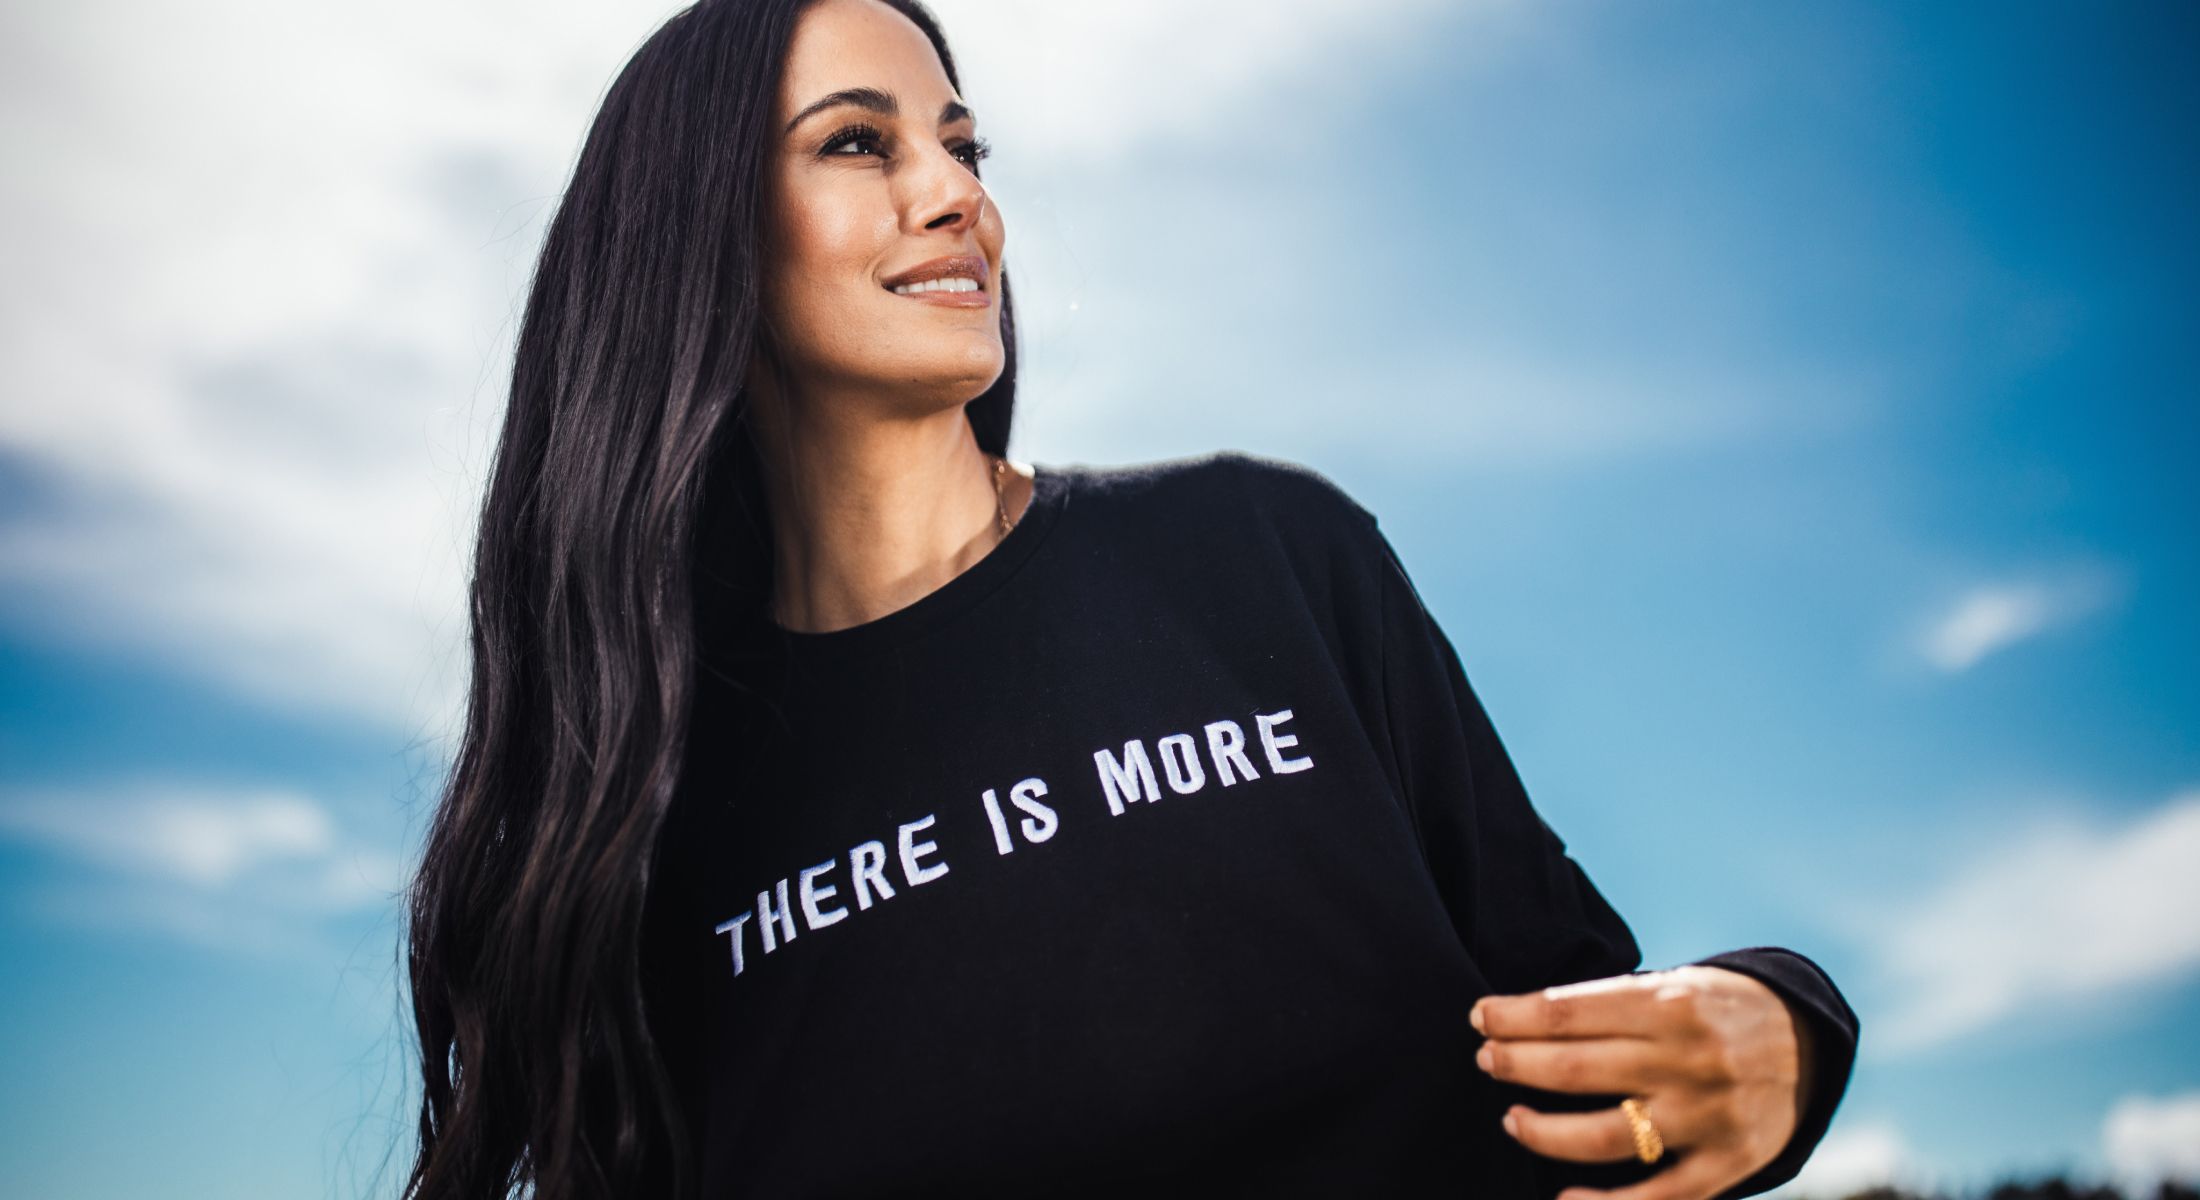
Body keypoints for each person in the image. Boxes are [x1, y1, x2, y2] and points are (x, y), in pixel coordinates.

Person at [400, 1, 1861, 1197]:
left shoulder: (1269, 551)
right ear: (695, 235)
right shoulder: (660, 831)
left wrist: (1789, 1025)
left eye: (965, 147)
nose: (956, 195)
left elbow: (1594, 1039)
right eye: (860, 143)